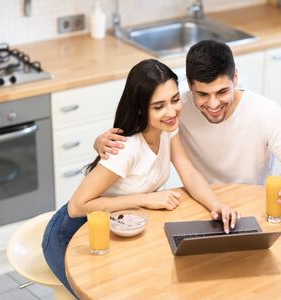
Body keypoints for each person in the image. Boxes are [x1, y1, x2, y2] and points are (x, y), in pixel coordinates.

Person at [42, 59, 238, 296]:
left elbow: (188, 171)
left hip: (119, 229)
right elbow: (77, 207)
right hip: (75, 235)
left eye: (175, 100)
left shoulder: (168, 128)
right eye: (158, 106)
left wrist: (217, 206)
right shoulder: (126, 148)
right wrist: (144, 199)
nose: (171, 111)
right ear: (140, 109)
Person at [94, 40, 281, 208]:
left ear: (236, 79)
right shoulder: (176, 109)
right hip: (201, 201)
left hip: (251, 201)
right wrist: (100, 142)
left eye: (222, 91)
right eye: (202, 94)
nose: (213, 104)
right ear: (190, 86)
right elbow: (139, 129)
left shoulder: (266, 113)